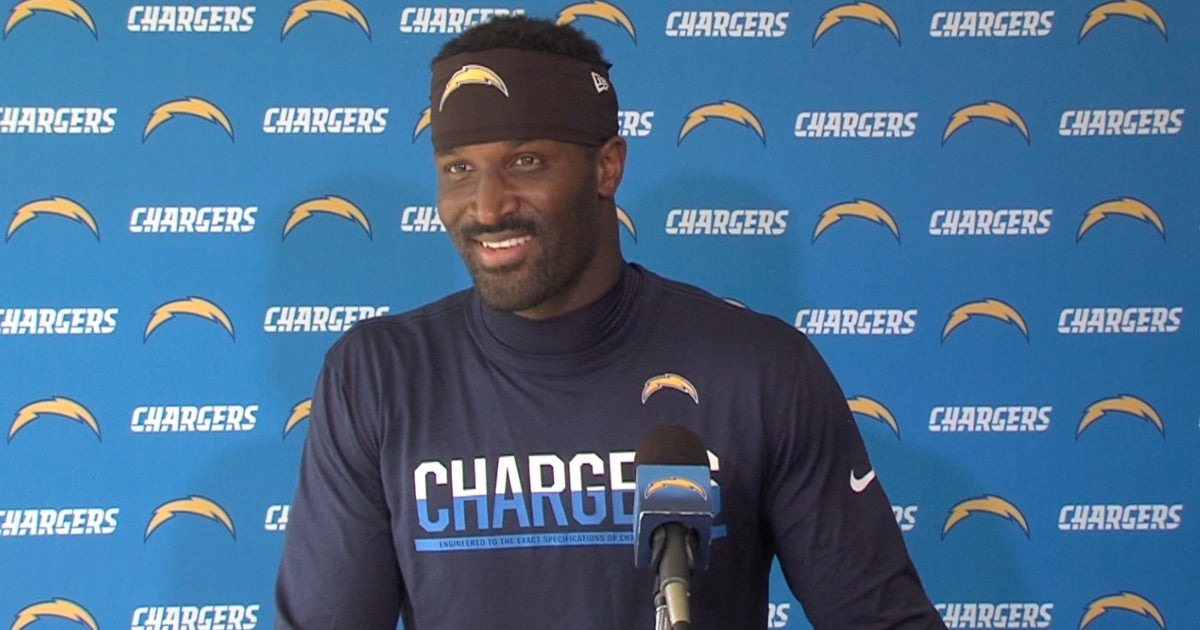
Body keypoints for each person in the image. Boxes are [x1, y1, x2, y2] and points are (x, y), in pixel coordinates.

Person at [275, 15, 944, 629]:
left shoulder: (760, 368)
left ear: (607, 166)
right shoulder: (376, 377)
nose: (486, 205)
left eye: (525, 162)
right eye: (458, 169)